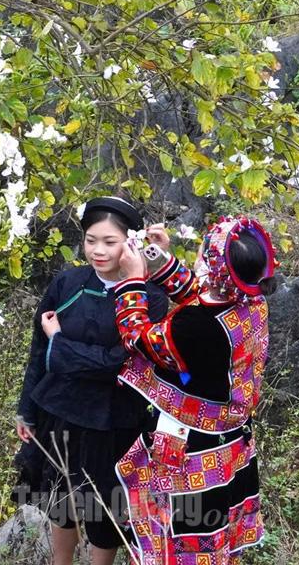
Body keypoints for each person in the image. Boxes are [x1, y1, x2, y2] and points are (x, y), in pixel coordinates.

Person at [110, 217, 275, 563]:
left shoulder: (193, 327)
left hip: (190, 446)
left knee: (180, 537)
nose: (199, 255)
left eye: (204, 251)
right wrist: (157, 258)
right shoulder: (251, 300)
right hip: (231, 441)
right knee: (217, 535)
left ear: (213, 265)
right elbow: (200, 293)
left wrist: (132, 280)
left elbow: (138, 338)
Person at [15, 196, 168, 565]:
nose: (98, 251)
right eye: (90, 240)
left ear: (130, 242)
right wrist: (27, 410)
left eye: (110, 242)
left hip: (114, 420)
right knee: (60, 501)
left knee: (105, 509)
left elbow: (117, 363)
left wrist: (60, 342)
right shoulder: (68, 283)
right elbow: (38, 352)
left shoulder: (148, 298)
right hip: (62, 412)